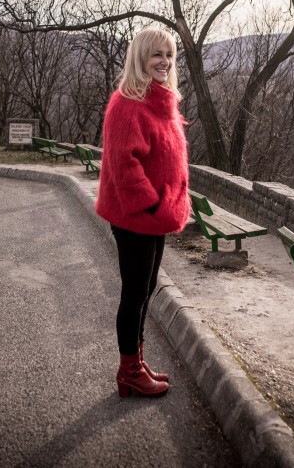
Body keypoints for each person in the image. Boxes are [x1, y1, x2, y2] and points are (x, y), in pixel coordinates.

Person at [95, 26, 191, 398]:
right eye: (156, 55)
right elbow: (124, 166)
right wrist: (153, 205)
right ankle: (129, 371)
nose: (164, 62)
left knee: (147, 288)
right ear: (140, 59)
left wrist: (166, 206)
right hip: (136, 216)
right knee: (135, 294)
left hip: (155, 216)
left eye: (169, 55)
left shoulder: (161, 102)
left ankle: (137, 361)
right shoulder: (127, 105)